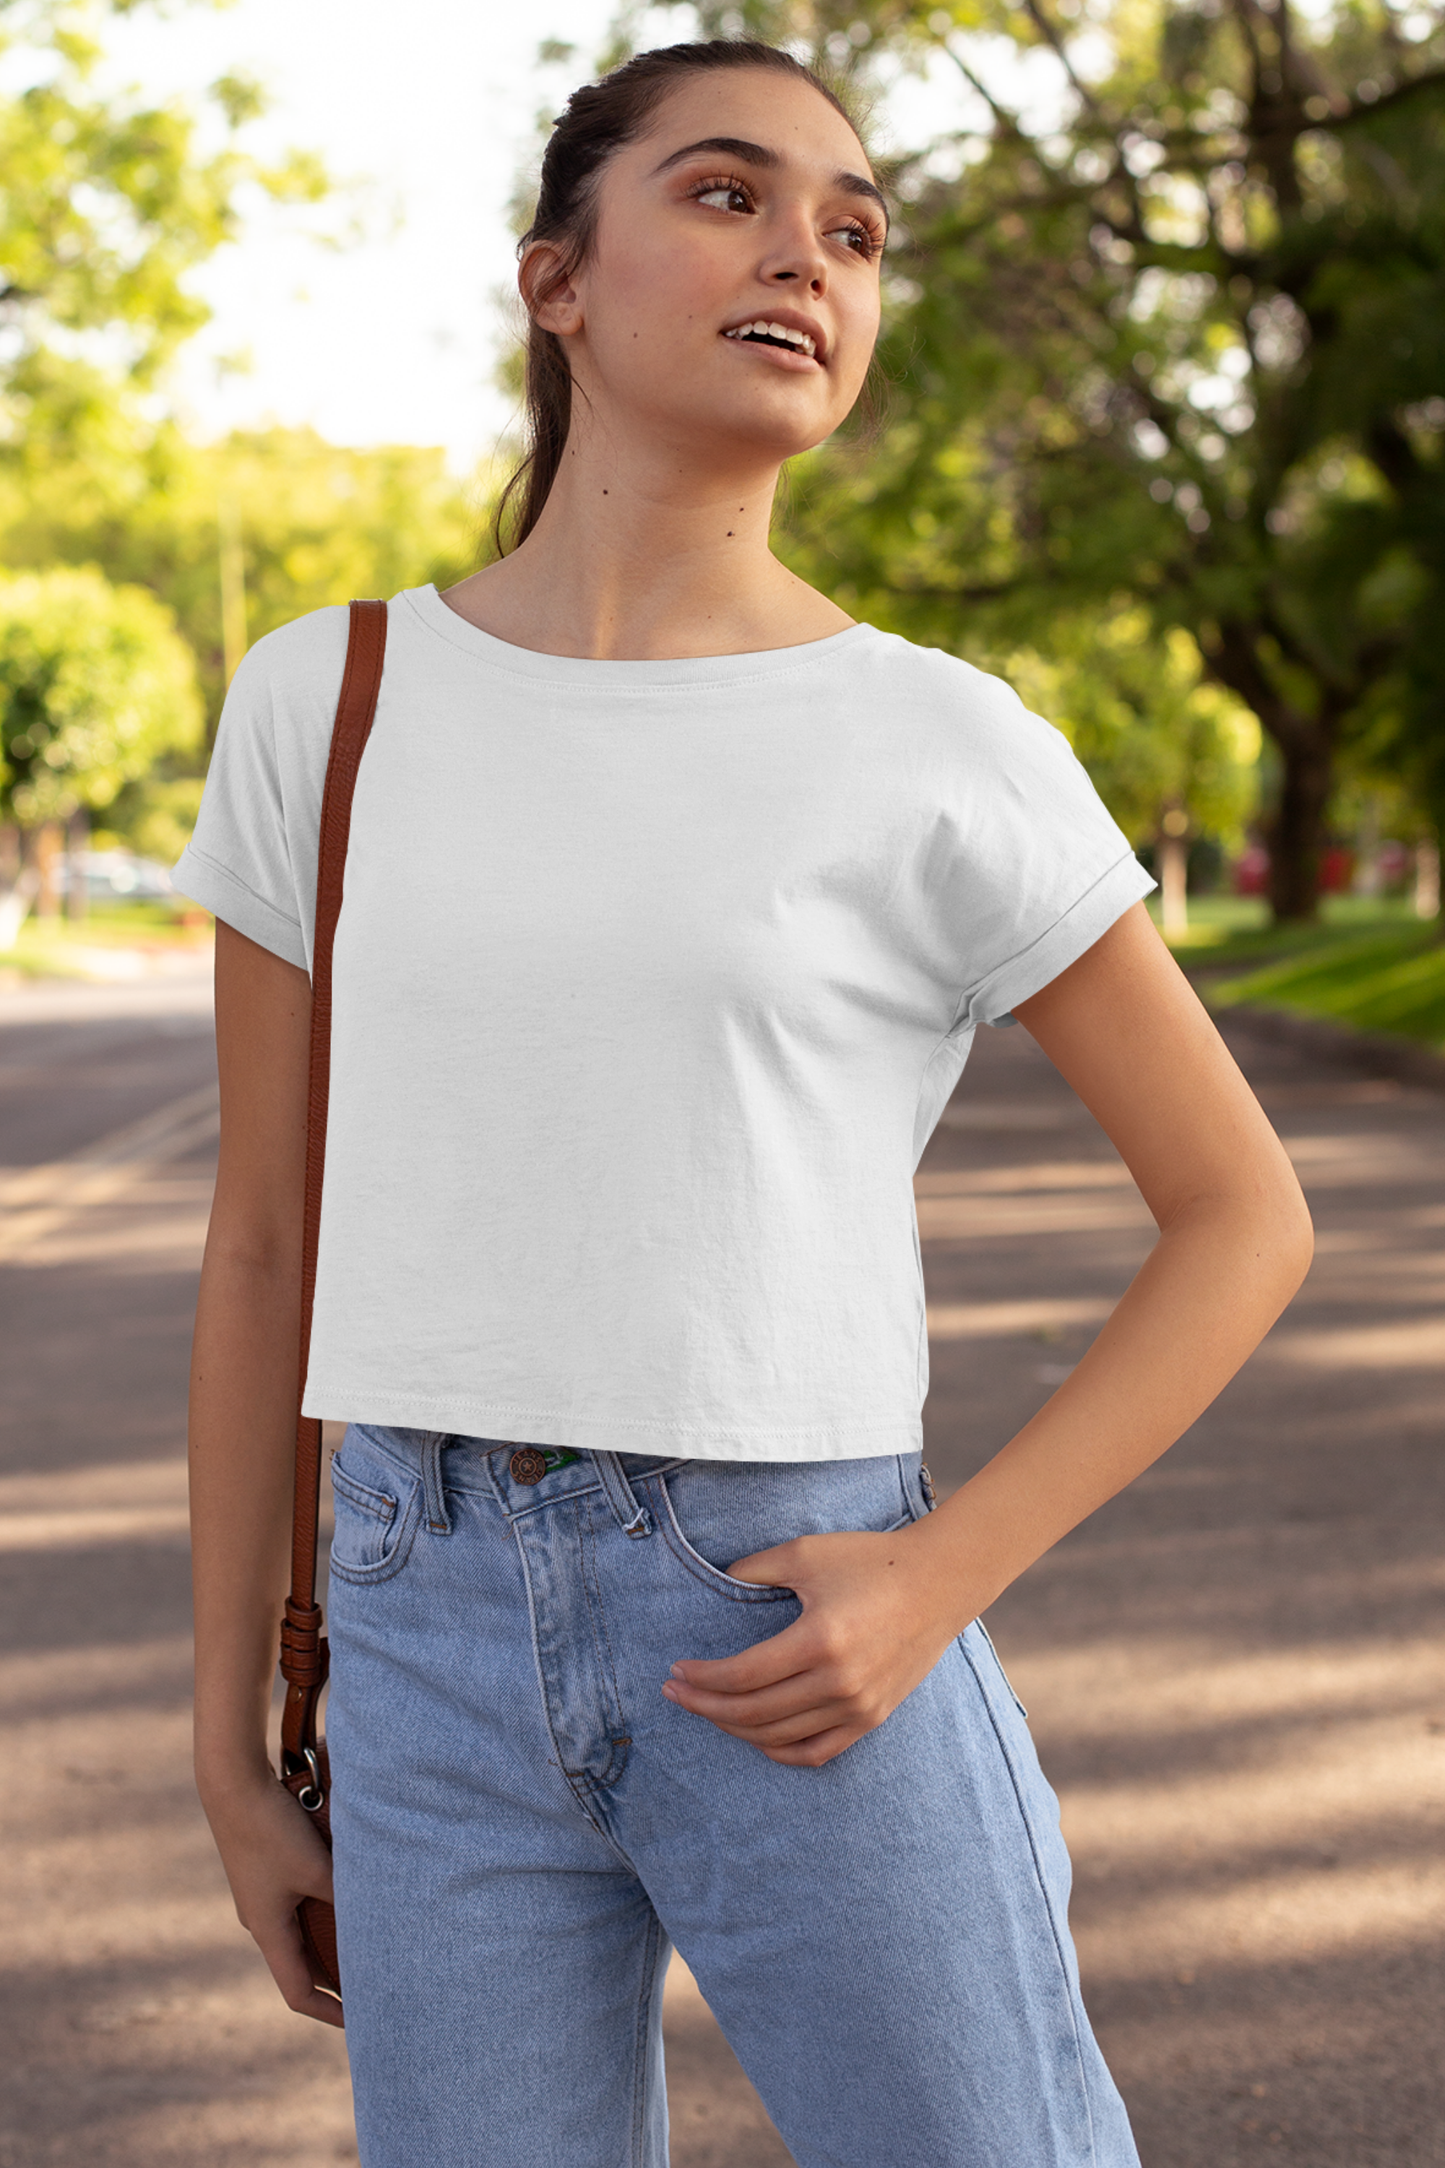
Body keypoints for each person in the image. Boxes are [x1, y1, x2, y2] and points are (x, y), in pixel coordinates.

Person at [179, 37, 1312, 2168]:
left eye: (855, 230)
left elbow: (1241, 1214)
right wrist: (232, 1739)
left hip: (790, 1609)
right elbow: (260, 1243)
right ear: (556, 282)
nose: (809, 252)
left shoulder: (934, 740)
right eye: (725, 196)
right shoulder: (326, 703)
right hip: (415, 1623)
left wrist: (936, 1576)